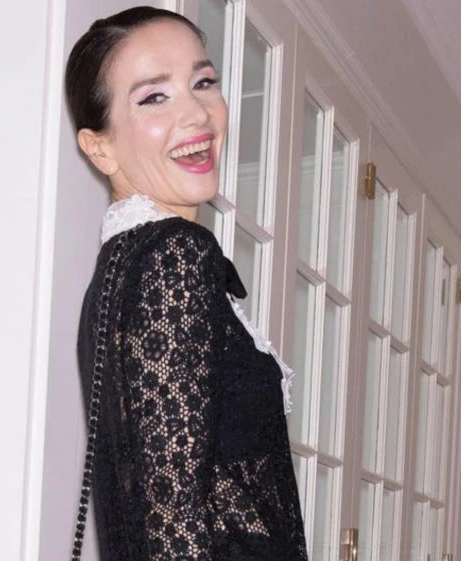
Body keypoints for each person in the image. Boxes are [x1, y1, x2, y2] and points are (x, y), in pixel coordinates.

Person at [65, 6, 307, 560]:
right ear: (99, 147)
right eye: (154, 96)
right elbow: (173, 526)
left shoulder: (124, 267)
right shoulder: (173, 254)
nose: (197, 112)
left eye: (203, 82)